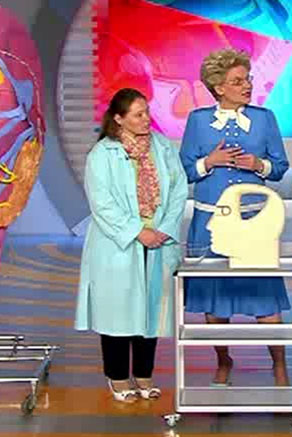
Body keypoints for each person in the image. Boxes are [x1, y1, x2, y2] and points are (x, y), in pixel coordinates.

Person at [179, 48, 291, 386]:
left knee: (265, 298)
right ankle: (223, 360)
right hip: (210, 224)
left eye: (248, 79)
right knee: (214, 302)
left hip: (252, 225)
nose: (247, 86)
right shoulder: (198, 121)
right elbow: (185, 170)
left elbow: (280, 167)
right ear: (219, 88)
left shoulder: (265, 118)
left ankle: (280, 365)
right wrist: (209, 162)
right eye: (238, 81)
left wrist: (258, 165)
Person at [75, 88, 188, 402]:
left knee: (150, 313)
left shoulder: (162, 147)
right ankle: (118, 377)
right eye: (138, 114)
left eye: (147, 112)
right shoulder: (102, 154)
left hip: (158, 241)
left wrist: (163, 229)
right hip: (119, 246)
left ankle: (144, 375)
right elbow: (102, 204)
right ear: (118, 119)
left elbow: (178, 189)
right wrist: (137, 232)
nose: (146, 119)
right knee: (117, 314)